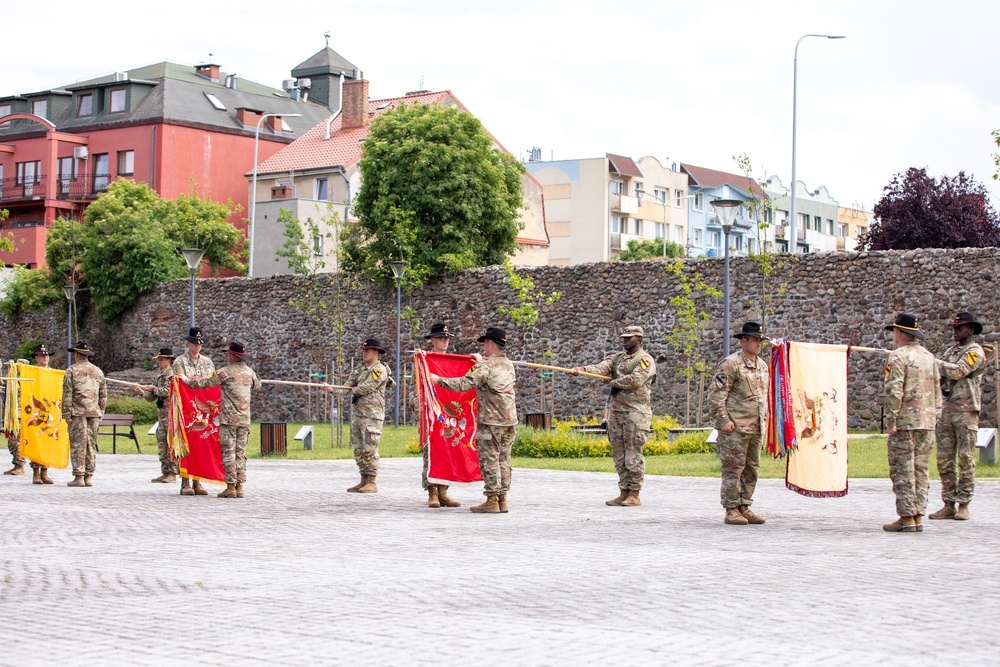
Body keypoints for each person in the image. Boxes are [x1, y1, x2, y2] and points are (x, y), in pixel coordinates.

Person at [430, 327, 516, 514]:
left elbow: (464, 384)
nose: (484, 346)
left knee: (490, 459)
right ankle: (503, 499)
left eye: (485, 342)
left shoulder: (484, 367)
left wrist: (438, 380)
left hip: (491, 421)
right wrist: (479, 362)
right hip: (509, 421)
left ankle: (492, 499)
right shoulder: (508, 364)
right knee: (504, 460)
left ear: (491, 344)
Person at [572, 325, 657, 507]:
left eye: (629, 338)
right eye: (624, 337)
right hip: (616, 414)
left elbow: (636, 380)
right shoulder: (617, 359)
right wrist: (582, 369)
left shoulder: (645, 360)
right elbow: (601, 368)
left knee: (633, 453)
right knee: (619, 454)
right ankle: (623, 491)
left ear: (639, 339)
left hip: (636, 414)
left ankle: (634, 492)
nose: (625, 340)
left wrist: (614, 381)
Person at [882, 314, 941, 533]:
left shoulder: (898, 357)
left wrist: (891, 420)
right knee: (921, 469)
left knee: (902, 469)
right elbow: (937, 390)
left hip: (905, 422)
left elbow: (893, 390)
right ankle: (918, 515)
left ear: (899, 333)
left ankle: (906, 516)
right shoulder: (928, 357)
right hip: (926, 421)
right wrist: (935, 416)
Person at [707, 321, 769, 526]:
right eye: (754, 340)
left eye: (760, 340)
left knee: (752, 468)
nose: (758, 344)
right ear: (744, 341)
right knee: (733, 469)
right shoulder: (730, 364)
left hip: (756, 427)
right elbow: (716, 396)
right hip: (735, 428)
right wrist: (723, 420)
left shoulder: (762, 365)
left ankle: (745, 505)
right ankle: (731, 508)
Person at [181, 341, 261, 499]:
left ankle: (230, 486)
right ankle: (240, 486)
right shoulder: (250, 372)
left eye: (228, 354)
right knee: (240, 453)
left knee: (228, 453)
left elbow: (203, 383)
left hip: (229, 420)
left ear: (232, 355)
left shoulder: (225, 372)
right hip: (244, 420)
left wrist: (185, 380)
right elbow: (257, 386)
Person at [930, 312, 985, 521]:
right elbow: (942, 377)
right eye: (954, 328)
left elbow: (959, 371)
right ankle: (948, 503)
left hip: (966, 412)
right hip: (947, 411)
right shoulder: (950, 351)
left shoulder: (975, 351)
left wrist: (935, 362)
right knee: (944, 459)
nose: (956, 331)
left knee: (965, 459)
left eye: (960, 328)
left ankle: (964, 504)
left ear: (971, 330)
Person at [322, 339, 392, 494]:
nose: (364, 353)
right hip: (358, 415)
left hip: (372, 416)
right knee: (359, 449)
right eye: (363, 350)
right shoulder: (360, 370)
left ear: (376, 352)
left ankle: (372, 481)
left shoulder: (379, 370)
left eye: (367, 351)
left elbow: (367, 387)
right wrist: (332, 389)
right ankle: (363, 480)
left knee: (370, 448)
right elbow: (346, 388)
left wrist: (354, 389)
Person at [421, 323, 460, 508]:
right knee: (431, 451)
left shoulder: (453, 361)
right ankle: (432, 491)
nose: (445, 341)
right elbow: (420, 388)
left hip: (448, 411)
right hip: (432, 412)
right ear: (433, 340)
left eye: (447, 338)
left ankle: (443, 490)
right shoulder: (425, 360)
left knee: (448, 451)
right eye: (441, 338)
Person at [172, 327, 214, 496]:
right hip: (186, 409)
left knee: (201, 445)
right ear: (188, 343)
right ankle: (185, 482)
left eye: (199, 344)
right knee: (186, 444)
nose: (197, 347)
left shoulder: (207, 362)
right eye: (194, 343)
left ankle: (198, 481)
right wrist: (195, 382)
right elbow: (181, 381)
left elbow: (211, 381)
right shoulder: (179, 362)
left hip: (203, 408)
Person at [62, 342, 107, 488]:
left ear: (76, 354)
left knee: (78, 443)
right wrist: (101, 411)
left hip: (77, 412)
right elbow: (103, 394)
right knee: (91, 444)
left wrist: (66, 414)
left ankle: (79, 475)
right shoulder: (98, 371)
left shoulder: (72, 371)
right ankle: (89, 476)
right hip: (93, 412)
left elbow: (67, 394)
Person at [134, 348, 176, 484]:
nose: (159, 362)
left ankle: (173, 472)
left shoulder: (171, 375)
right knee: (162, 443)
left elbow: (168, 391)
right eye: (159, 359)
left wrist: (154, 389)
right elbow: (152, 398)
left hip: (170, 415)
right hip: (162, 415)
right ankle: (165, 471)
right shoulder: (160, 376)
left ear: (168, 360)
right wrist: (142, 391)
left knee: (170, 444)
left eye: (162, 359)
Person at [29, 344, 55, 485]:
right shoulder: (32, 372)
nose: (45, 358)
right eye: (42, 355)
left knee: (48, 441)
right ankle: (36, 473)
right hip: (36, 411)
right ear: (36, 357)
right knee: (36, 441)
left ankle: (45, 472)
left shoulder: (52, 373)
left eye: (46, 355)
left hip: (49, 410)